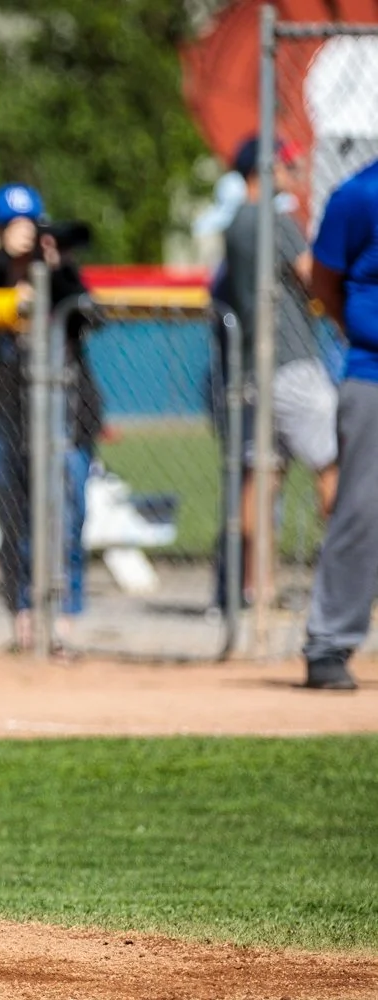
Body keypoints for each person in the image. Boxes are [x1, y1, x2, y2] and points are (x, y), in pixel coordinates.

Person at [0, 184, 100, 653]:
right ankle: (24, 614)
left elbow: (91, 315)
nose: (24, 235)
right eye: (13, 227)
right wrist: (4, 261)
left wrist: (53, 266)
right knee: (13, 515)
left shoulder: (59, 276)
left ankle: (64, 617)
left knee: (67, 512)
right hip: (2, 413)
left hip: (66, 415)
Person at [220, 136, 339, 606]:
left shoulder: (234, 223)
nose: (292, 173)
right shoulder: (275, 219)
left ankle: (257, 588)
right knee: (335, 467)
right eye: (285, 166)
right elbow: (313, 277)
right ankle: (342, 582)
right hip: (293, 362)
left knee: (263, 474)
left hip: (254, 366)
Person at [301, 156, 378, 691]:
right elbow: (322, 277)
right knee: (362, 510)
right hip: (373, 372)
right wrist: (357, 330)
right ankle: (329, 642)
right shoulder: (360, 194)